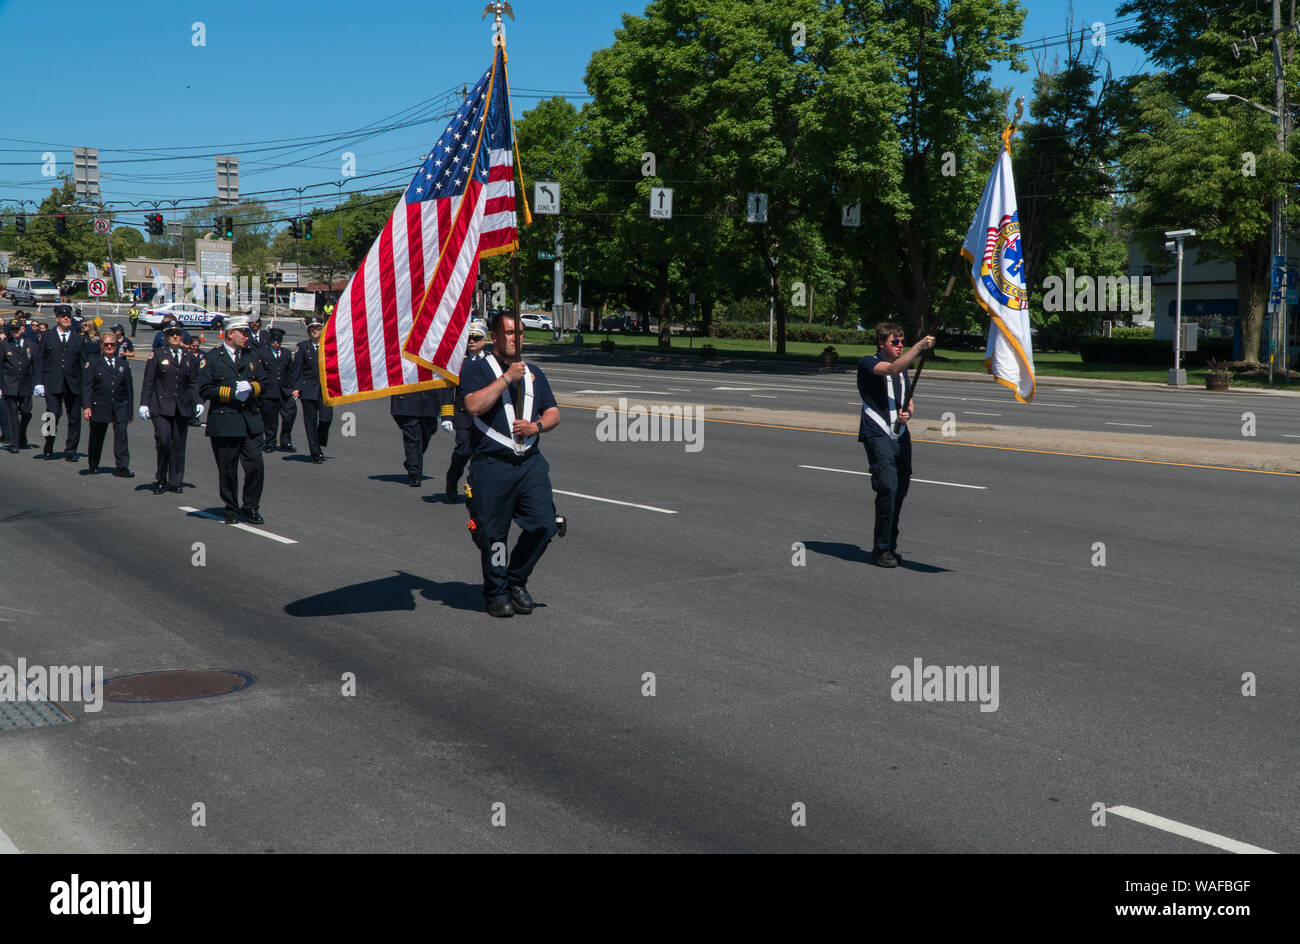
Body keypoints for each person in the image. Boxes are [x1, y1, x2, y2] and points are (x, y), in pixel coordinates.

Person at [461, 312, 562, 618]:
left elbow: (553, 412)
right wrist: (506, 379)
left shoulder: (534, 373)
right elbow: (473, 405)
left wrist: (537, 427)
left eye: (519, 332)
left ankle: (515, 579)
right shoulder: (476, 368)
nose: (515, 338)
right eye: (508, 333)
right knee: (495, 534)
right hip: (492, 465)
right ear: (494, 337)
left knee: (545, 524)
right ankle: (496, 591)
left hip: (529, 462)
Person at [856, 322, 935, 568]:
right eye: (895, 342)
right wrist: (920, 347)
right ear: (881, 343)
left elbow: (908, 400)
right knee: (887, 487)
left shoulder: (903, 371)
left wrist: (908, 413)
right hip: (877, 433)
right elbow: (890, 368)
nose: (901, 345)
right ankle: (880, 550)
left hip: (900, 434)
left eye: (903, 341)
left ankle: (890, 545)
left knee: (900, 490)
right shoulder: (869, 363)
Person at [198, 315, 267, 523]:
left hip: (250, 421)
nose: (247, 336)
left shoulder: (251, 355)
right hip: (225, 422)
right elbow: (204, 388)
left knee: (255, 466)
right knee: (228, 470)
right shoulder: (212, 358)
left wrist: (252, 388)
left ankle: (251, 506)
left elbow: (264, 382)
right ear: (230, 334)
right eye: (243, 333)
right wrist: (230, 393)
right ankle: (231, 507)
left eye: (247, 333)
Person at [140, 323, 201, 494]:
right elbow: (149, 381)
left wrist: (197, 401)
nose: (175, 336)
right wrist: (144, 403)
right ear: (165, 337)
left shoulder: (189, 357)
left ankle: (175, 480)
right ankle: (161, 478)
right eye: (171, 334)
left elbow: (193, 383)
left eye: (178, 333)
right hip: (160, 406)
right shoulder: (158, 355)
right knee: (164, 441)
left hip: (181, 406)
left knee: (179, 445)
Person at [33, 305, 92, 460]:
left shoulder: (78, 338)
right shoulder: (47, 336)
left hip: (73, 383)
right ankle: (49, 443)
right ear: (57, 318)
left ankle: (71, 450)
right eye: (63, 316)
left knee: (74, 418)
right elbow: (39, 360)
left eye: (68, 316)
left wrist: (86, 384)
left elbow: (83, 362)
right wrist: (38, 382)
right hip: (53, 382)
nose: (66, 318)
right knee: (51, 415)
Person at [443, 317, 488, 499]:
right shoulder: (457, 362)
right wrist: (447, 416)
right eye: (469, 337)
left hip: (485, 415)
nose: (472, 341)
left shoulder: (491, 362)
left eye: (476, 338)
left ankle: (475, 487)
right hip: (463, 414)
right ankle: (452, 480)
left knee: (481, 454)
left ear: (484, 340)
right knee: (463, 450)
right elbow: (448, 389)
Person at [81, 333, 135, 477]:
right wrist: (86, 407)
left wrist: (130, 411)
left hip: (119, 405)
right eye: (106, 344)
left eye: (112, 344)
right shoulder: (93, 363)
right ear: (101, 346)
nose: (110, 347)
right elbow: (87, 387)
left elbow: (128, 388)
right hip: (100, 405)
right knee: (96, 437)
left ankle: (122, 467)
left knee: (122, 437)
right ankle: (93, 464)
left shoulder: (123, 363)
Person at [291, 317, 332, 463]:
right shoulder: (303, 347)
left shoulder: (328, 345)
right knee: (310, 421)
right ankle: (316, 452)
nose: (315, 331)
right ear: (308, 331)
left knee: (326, 418)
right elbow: (297, 369)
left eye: (318, 328)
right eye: (312, 328)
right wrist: (296, 387)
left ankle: (319, 439)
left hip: (326, 389)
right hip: (308, 388)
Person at [390, 388, 442, 487]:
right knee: (413, 437)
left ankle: (411, 461)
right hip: (406, 400)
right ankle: (415, 474)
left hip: (429, 400)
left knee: (428, 432)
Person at [1, 318, 37, 452]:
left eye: (17, 329)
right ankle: (15, 443)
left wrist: (38, 383)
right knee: (12, 415)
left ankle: (22, 433)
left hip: (25, 385)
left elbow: (36, 365)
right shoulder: (4, 345)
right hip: (9, 384)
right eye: (12, 329)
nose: (15, 331)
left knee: (26, 412)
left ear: (23, 329)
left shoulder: (31, 345)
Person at [255, 327, 294, 452]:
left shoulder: (286, 353)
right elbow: (259, 372)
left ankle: (286, 441)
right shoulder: (262, 353)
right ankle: (270, 442)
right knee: (270, 420)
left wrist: (294, 388)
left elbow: (291, 372)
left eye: (278, 341)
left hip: (285, 391)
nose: (276, 343)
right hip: (269, 391)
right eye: (273, 340)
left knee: (290, 415)